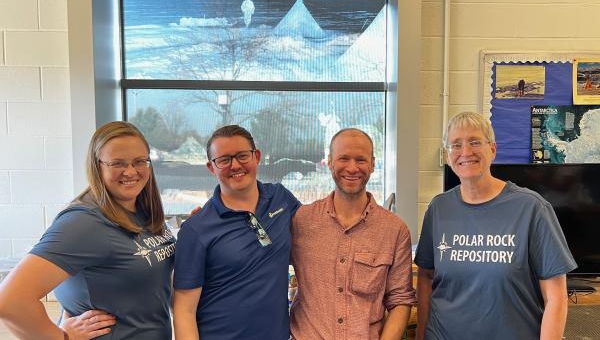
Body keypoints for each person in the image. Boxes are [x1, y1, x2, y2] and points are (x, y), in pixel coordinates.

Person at [0, 121, 175, 339]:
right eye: (117, 163)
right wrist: (63, 337)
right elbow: (10, 301)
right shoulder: (84, 222)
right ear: (97, 166)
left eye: (139, 161)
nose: (130, 171)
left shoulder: (143, 211)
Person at [414, 112, 576, 340]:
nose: (466, 152)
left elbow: (556, 297)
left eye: (474, 142)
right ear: (448, 156)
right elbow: (426, 277)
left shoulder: (532, 208)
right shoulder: (438, 209)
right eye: (456, 145)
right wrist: (421, 334)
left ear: (493, 149)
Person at [173, 125, 301, 340]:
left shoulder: (280, 198)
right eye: (224, 160)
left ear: (257, 156)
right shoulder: (196, 229)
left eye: (242, 156)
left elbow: (316, 231)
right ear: (211, 167)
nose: (235, 165)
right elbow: (183, 311)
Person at [290, 128, 417, 339]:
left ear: (373, 164)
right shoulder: (301, 221)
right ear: (330, 162)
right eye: (343, 158)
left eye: (360, 159)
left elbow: (400, 300)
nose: (352, 167)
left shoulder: (395, 230)